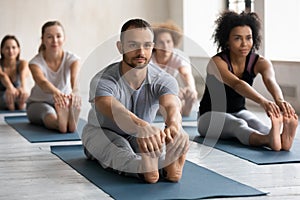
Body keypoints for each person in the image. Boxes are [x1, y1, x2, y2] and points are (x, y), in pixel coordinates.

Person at [82, 18, 189, 184]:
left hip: (141, 136)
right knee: (118, 151)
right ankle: (146, 170)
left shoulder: (163, 79)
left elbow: (171, 106)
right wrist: (142, 126)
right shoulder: (103, 80)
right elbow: (114, 109)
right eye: (133, 45)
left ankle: (167, 167)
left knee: (156, 150)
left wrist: (175, 126)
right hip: (102, 131)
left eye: (147, 45)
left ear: (152, 47)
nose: (141, 51)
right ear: (120, 47)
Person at [198, 11, 298, 151]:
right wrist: (263, 101)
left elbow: (270, 81)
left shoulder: (260, 62)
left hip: (239, 110)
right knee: (238, 124)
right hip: (208, 117)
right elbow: (237, 84)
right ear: (227, 40)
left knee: (256, 123)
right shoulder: (217, 62)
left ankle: (280, 138)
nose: (244, 44)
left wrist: (279, 100)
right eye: (238, 38)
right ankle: (268, 140)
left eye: (248, 38)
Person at [26, 21, 81, 133]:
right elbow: (42, 82)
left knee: (71, 103)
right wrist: (57, 93)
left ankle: (69, 122)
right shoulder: (35, 62)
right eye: (50, 37)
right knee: (47, 111)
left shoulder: (72, 59)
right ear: (43, 40)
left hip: (64, 102)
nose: (55, 41)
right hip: (39, 103)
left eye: (58, 36)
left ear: (64, 38)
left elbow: (74, 79)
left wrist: (75, 92)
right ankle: (59, 123)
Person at [151, 21, 198, 116]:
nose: (165, 46)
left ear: (173, 43)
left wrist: (191, 90)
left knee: (177, 100)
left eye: (168, 42)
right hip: (151, 92)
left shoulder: (178, 56)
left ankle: (182, 107)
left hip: (166, 92)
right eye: (161, 42)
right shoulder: (148, 58)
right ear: (154, 44)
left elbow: (185, 74)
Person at [0, 35, 29, 110]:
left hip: (18, 97)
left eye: (13, 47)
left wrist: (22, 88)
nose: (10, 51)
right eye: (7, 48)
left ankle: (20, 108)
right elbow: (2, 75)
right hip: (2, 98)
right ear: (2, 50)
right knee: (6, 96)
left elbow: (23, 74)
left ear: (18, 50)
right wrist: (10, 88)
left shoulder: (22, 63)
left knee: (25, 97)